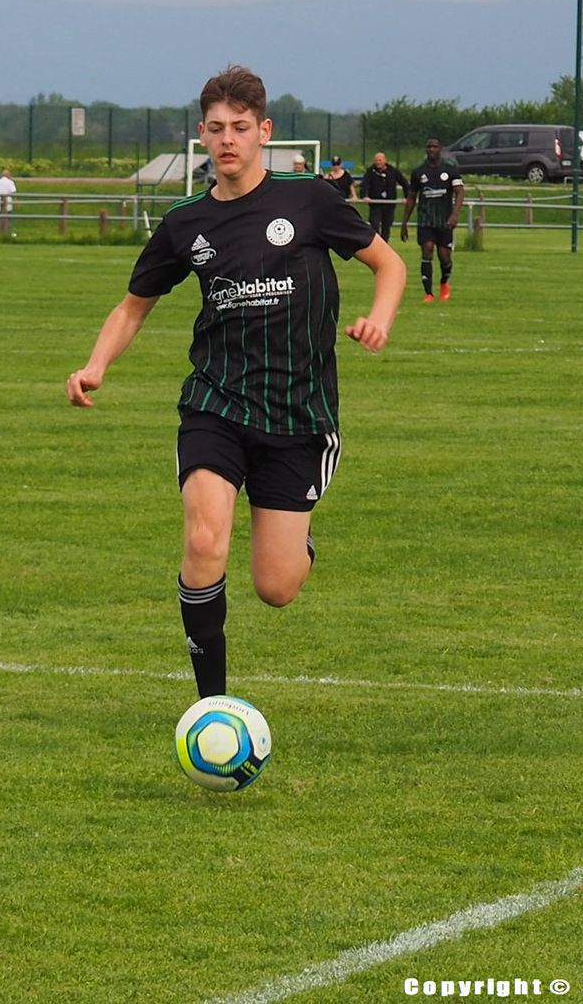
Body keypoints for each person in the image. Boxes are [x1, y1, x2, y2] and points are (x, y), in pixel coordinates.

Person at [65, 65, 405, 700]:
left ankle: (297, 541)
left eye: (241, 128)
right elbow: (133, 306)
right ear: (202, 133)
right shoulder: (184, 223)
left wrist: (379, 320)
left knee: (276, 587)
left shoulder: (308, 199)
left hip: (299, 415)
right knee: (203, 539)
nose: (228, 139)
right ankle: (211, 708)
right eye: (217, 128)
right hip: (216, 403)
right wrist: (95, 364)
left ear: (263, 132)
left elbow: (389, 264)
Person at [401, 138, 464, 303]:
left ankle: (444, 283)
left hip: (444, 220)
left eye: (435, 147)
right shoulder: (418, 172)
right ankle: (428, 293)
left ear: (440, 149)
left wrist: (455, 215)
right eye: (429, 146)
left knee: (445, 257)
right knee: (427, 249)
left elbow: (460, 192)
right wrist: (404, 223)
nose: (431, 149)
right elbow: (411, 197)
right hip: (425, 220)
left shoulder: (450, 170)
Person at [359, 152, 407, 241]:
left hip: (389, 205)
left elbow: (404, 183)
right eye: (376, 160)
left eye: (380, 160)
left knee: (386, 226)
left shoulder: (393, 171)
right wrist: (364, 196)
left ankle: (384, 244)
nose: (378, 162)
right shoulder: (370, 171)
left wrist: (407, 197)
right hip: (375, 204)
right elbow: (364, 185)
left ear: (385, 160)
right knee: (374, 225)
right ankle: (376, 243)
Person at [0, 167, 17, 235]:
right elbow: (13, 192)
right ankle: (7, 232)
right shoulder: (10, 182)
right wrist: (15, 201)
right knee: (7, 218)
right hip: (7, 203)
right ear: (8, 175)